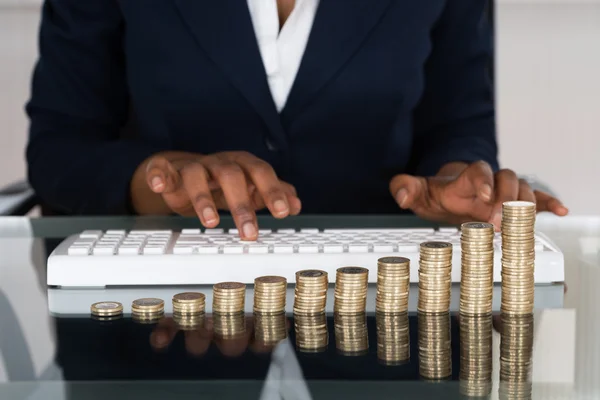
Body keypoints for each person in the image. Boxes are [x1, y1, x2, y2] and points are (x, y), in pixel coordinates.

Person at [26, 0, 567, 240]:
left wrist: (453, 181)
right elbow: (59, 150)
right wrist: (158, 182)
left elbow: (458, 120)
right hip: (154, 335)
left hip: (382, 337)